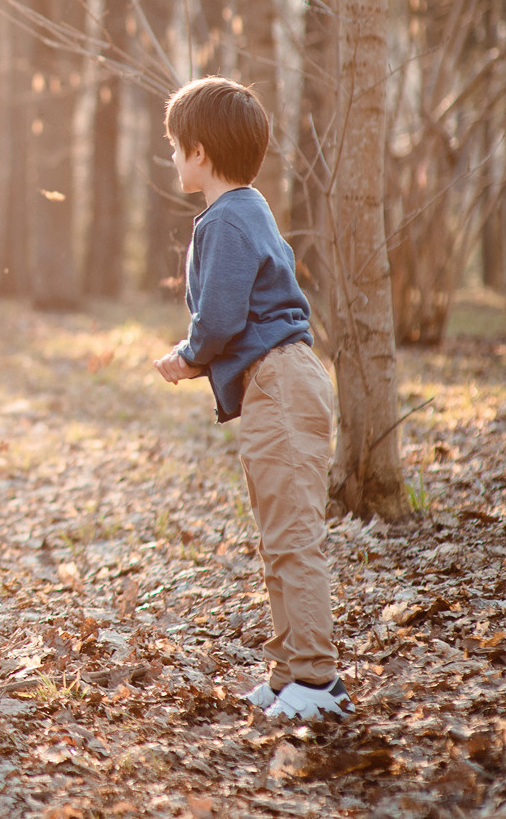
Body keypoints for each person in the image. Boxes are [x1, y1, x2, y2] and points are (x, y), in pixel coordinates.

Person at [151, 77, 352, 722]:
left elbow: (220, 316)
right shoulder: (246, 209)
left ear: (201, 153)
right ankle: (288, 669)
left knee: (293, 534)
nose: (174, 159)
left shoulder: (228, 218)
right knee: (276, 533)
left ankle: (319, 681)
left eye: (176, 148)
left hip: (281, 382)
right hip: (275, 385)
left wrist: (186, 357)